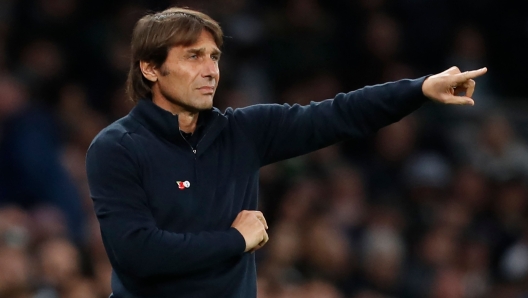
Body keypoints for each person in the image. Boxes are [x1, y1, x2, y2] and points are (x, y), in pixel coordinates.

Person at [85, 7, 487, 298]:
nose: (210, 70)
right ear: (150, 69)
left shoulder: (243, 132)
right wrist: (235, 240)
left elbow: (339, 114)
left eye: (214, 57)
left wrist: (417, 90)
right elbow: (138, 253)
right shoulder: (116, 148)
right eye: (193, 56)